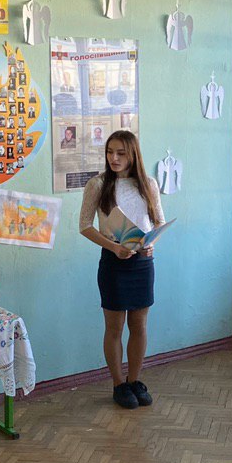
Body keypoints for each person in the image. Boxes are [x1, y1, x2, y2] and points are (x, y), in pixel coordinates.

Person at [79, 130, 165, 410]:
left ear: (133, 155)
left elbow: (159, 222)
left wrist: (151, 245)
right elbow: (85, 226)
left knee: (139, 325)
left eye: (120, 153)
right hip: (113, 261)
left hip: (142, 262)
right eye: (109, 152)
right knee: (114, 327)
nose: (113, 158)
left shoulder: (148, 184)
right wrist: (113, 247)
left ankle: (134, 380)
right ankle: (119, 384)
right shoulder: (97, 184)